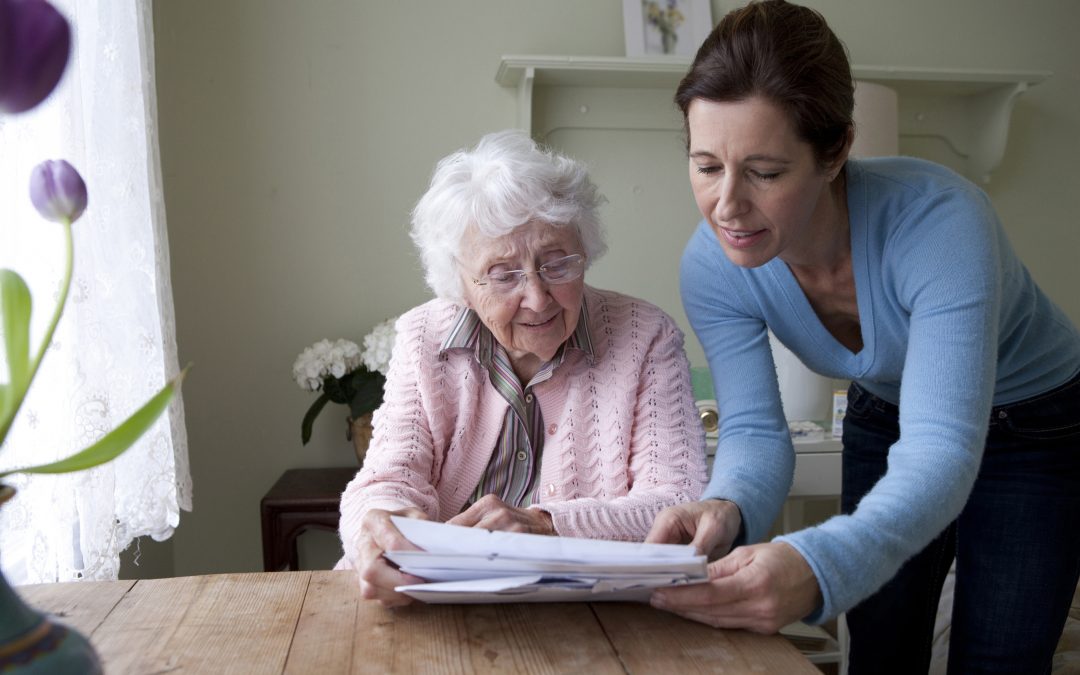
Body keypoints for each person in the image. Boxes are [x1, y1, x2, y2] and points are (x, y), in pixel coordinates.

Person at [643, 1, 1080, 673]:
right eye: (706, 165)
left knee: (1001, 657)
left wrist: (816, 563)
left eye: (764, 171)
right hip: (884, 408)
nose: (726, 206)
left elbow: (941, 451)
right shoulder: (712, 265)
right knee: (878, 647)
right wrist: (725, 505)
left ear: (836, 151)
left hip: (1038, 423)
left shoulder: (941, 225)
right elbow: (757, 432)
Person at [336, 130, 708, 607]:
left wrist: (544, 526)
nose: (537, 298)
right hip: (430, 604)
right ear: (460, 284)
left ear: (585, 252)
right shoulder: (423, 337)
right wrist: (382, 524)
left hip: (589, 615)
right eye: (503, 274)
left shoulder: (646, 336)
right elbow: (386, 478)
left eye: (557, 264)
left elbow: (676, 504)